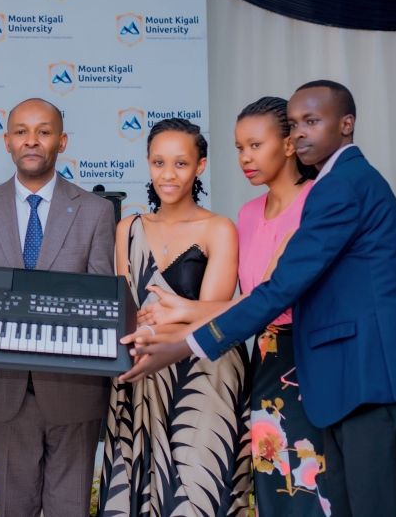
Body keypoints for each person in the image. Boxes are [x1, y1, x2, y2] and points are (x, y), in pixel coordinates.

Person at [121, 81, 396, 517]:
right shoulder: (341, 182)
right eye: (296, 123)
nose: (300, 132)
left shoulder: (340, 187)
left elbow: (280, 289)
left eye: (312, 121)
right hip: (342, 381)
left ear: (347, 124)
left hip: (369, 380)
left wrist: (183, 344)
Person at [137, 98, 327, 516]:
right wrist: (182, 311)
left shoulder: (318, 202)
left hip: (311, 359)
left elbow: (269, 298)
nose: (245, 157)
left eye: (255, 145)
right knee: (274, 488)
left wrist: (182, 310)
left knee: (311, 487)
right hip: (264, 358)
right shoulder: (248, 213)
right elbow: (243, 305)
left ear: (290, 145)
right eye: (240, 147)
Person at [0, 98, 114, 517]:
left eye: (43, 132)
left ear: (61, 142)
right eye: (21, 132)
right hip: (6, 391)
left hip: (75, 389)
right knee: (14, 509)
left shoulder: (96, 212)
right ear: (7, 141)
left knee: (70, 509)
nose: (32, 141)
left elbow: (102, 303)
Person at [100, 118, 250, 517]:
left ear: (200, 166)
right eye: (159, 162)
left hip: (203, 376)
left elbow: (211, 314)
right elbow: (126, 309)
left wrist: (156, 325)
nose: (168, 174)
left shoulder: (219, 228)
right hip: (141, 372)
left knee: (199, 497)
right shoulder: (127, 228)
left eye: (181, 163)